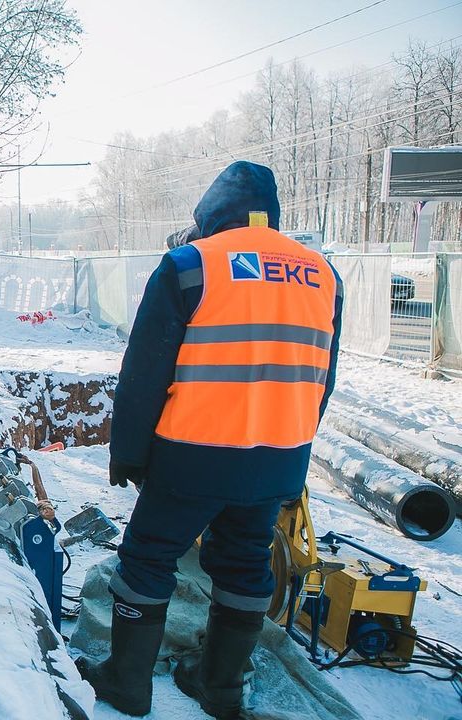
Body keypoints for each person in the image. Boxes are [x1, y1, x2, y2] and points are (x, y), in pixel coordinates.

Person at [79, 161, 344, 719]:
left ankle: (126, 683)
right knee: (246, 564)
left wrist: (127, 451)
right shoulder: (324, 276)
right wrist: (291, 449)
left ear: (209, 214)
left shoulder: (189, 266)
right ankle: (219, 688)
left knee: (148, 559)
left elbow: (144, 373)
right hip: (278, 456)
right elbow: (324, 378)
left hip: (192, 454)